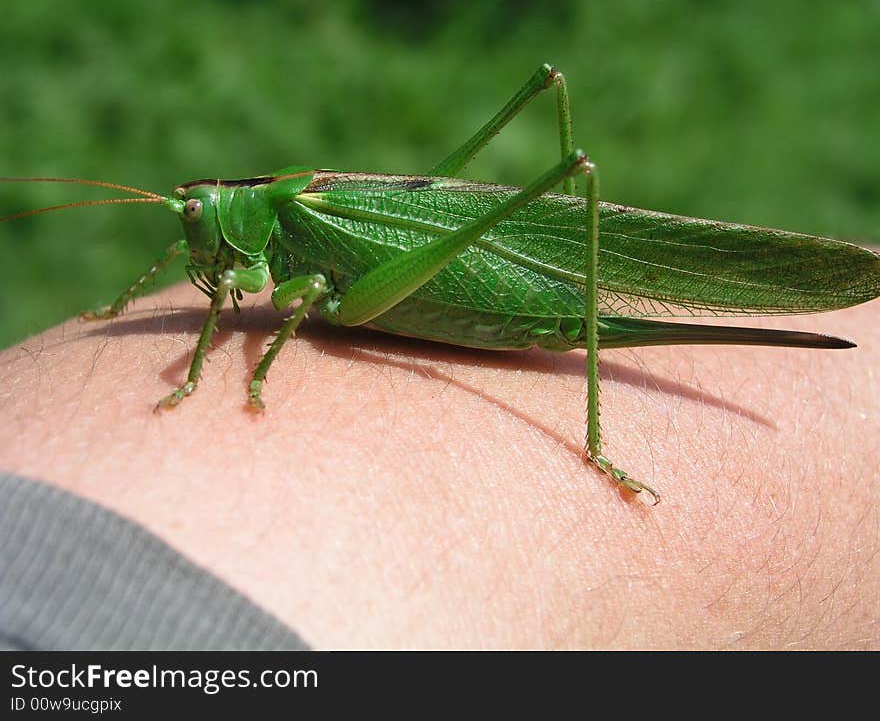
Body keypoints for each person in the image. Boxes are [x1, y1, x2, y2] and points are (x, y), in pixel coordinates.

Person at [1, 282, 878, 649]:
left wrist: (256, 370)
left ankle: (600, 443)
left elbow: (292, 304)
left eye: (196, 217)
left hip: (452, 292)